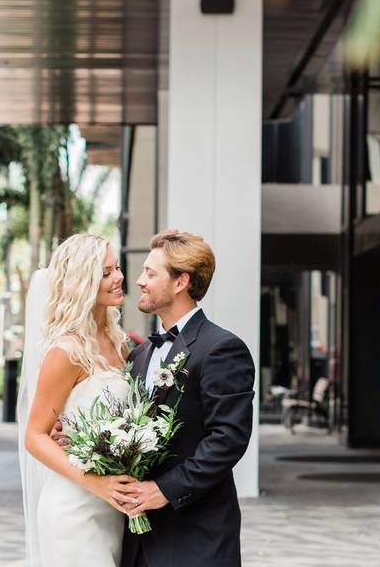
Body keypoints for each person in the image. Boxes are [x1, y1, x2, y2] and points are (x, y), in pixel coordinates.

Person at [120, 229, 255, 567]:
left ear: (181, 281)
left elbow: (227, 439)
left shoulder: (222, 348)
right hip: (138, 543)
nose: (139, 280)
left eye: (150, 272)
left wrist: (164, 490)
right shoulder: (139, 355)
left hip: (197, 537)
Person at [18, 234, 140, 567]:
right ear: (82, 282)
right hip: (74, 507)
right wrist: (95, 483)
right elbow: (35, 435)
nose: (119, 278)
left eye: (116, 269)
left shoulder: (119, 343)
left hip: (111, 508)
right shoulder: (65, 351)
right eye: (105, 272)